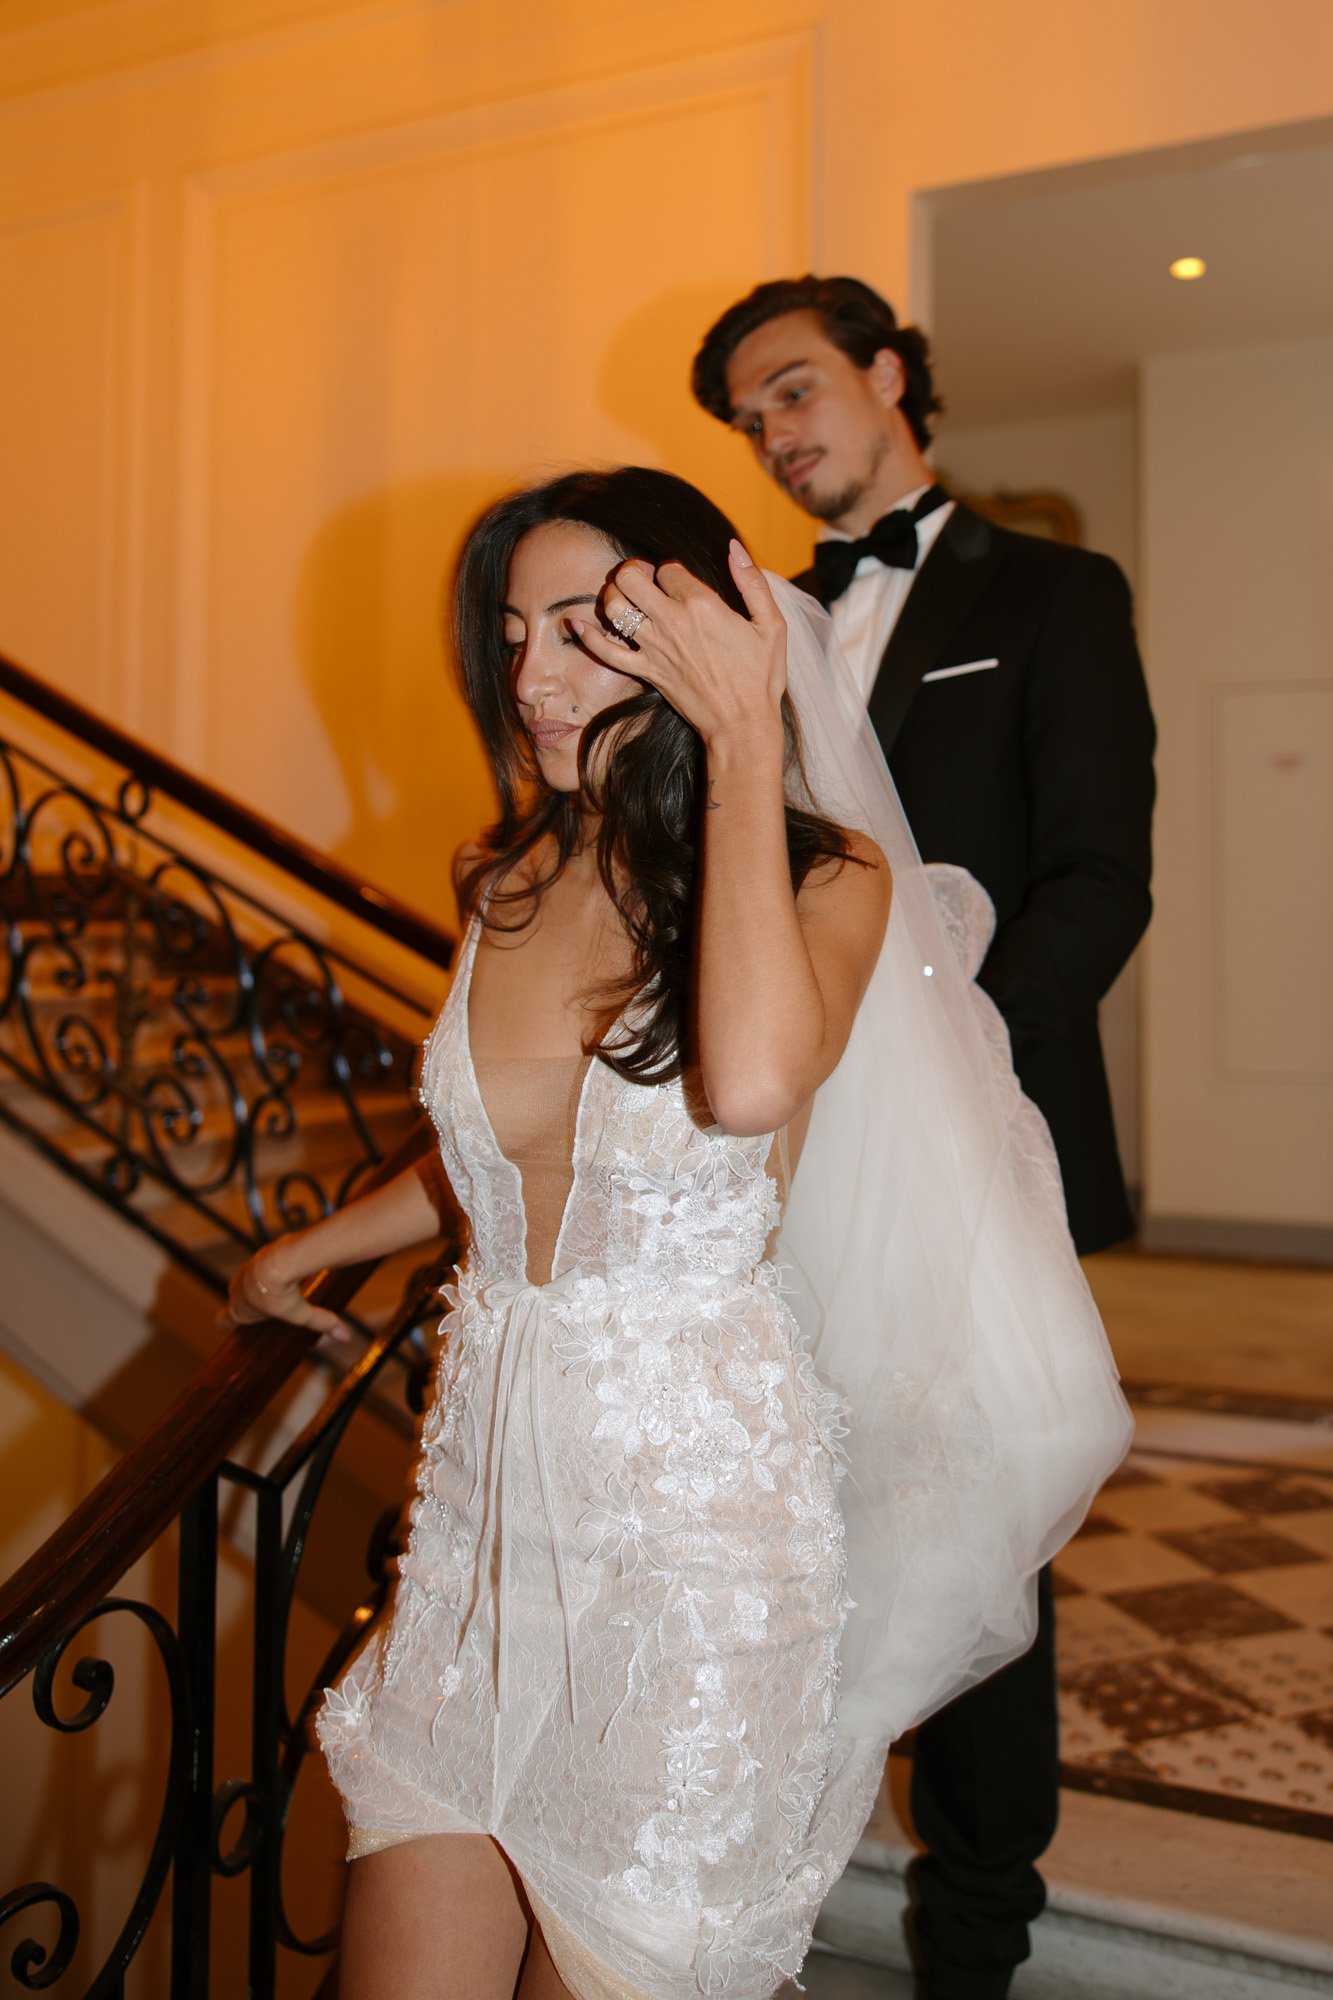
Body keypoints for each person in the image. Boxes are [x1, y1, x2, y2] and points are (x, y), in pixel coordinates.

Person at [223, 466, 1131, 2000]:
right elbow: (501, 1152)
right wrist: (306, 1249)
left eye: (584, 629)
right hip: (472, 1561)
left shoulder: (813, 876)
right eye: (510, 636)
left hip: (690, 1576)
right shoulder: (500, 874)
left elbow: (759, 1075)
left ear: (700, 638)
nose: (532, 677)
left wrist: (740, 740)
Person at [691, 277, 1156, 2000]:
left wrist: (970, 1071)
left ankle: (974, 1929)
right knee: (794, 1501)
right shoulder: (755, 614)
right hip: (785, 1147)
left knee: (978, 1498)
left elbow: (1100, 873)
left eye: (795, 389)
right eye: (749, 418)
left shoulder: (1050, 595)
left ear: (891, 375)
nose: (776, 434)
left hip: (980, 1140)